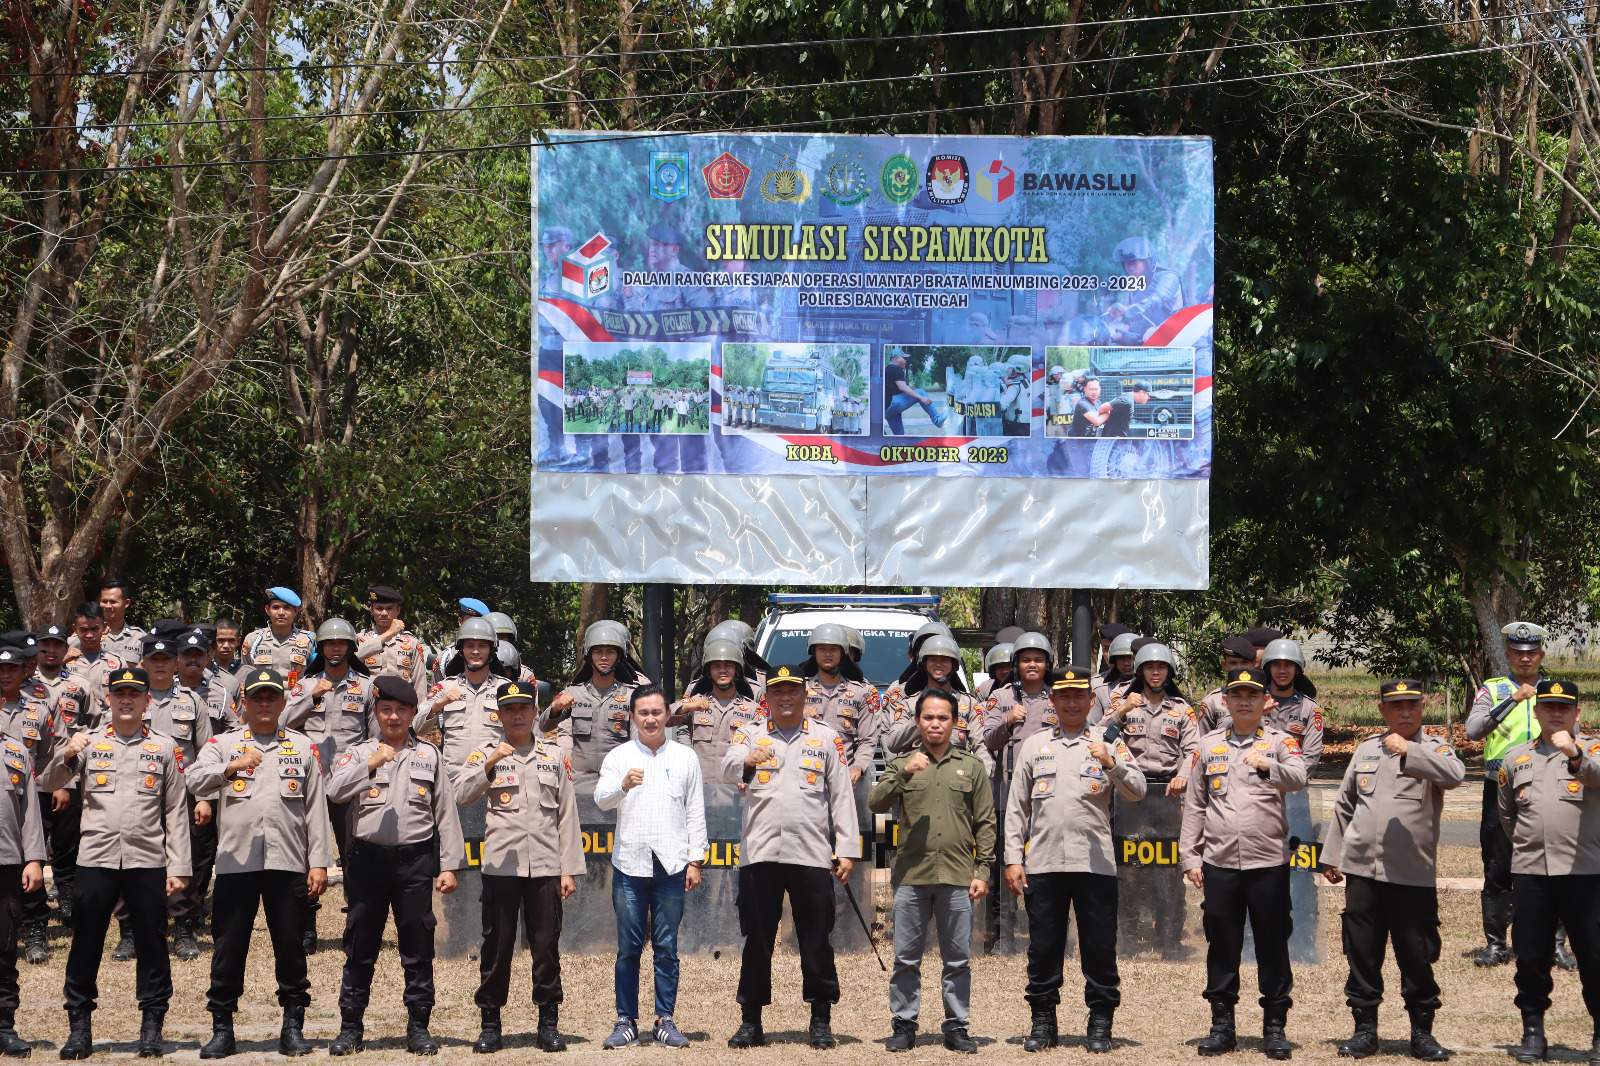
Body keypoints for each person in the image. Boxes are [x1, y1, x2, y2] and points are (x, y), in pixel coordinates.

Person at [46, 666, 191, 1060]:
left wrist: (179, 867)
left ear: (147, 701)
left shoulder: (163, 747)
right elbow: (48, 782)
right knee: (86, 941)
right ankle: (79, 1027)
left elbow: (176, 810)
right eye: (119, 693)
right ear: (108, 698)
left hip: (147, 859)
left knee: (151, 941)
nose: (127, 699)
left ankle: (152, 1025)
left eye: (135, 693)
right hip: (96, 858)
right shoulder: (88, 742)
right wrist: (67, 753)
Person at [188, 668, 331, 1059]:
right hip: (237, 862)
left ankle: (293, 1025)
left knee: (290, 944)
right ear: (244, 704)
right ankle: (222, 1027)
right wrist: (232, 767)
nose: (265, 704)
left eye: (272, 697)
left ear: (284, 704)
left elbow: (316, 809)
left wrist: (318, 862)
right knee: (229, 945)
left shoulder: (302, 747)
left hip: (287, 862)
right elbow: (195, 781)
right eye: (257, 698)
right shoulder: (223, 743)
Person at [1005, 667, 1146, 1053]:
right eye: (1063, 696)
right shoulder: (1034, 745)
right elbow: (1016, 808)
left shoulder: (1107, 741)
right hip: (1045, 865)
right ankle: (1042, 1021)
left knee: (1099, 947)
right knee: (1043, 947)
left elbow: (1138, 791)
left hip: (1094, 865)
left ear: (1089, 701)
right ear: (1053, 701)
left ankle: (1100, 1023)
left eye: (1078, 697)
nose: (1071, 703)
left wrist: (1112, 764)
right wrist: (1012, 859)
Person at [1321, 679, 1463, 1061]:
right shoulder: (1367, 749)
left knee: (1415, 954)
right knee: (1362, 953)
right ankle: (1365, 1030)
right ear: (1382, 709)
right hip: (1362, 870)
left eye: (1412, 706)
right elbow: (1345, 803)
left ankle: (1422, 1034)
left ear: (1423, 708)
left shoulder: (1435, 749)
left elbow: (1455, 775)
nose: (1405, 712)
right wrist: (1332, 855)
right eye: (1396, 706)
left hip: (1410, 872)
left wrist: (1411, 751)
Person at [326, 676, 466, 1056]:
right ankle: (350, 1028)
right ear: (376, 712)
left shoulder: (429, 755)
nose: (393, 716)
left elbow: (446, 815)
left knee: (418, 946)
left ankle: (419, 1027)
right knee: (360, 946)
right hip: (367, 863)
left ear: (411, 714)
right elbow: (334, 792)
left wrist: (450, 865)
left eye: (401, 710)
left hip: (414, 864)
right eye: (386, 709)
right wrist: (372, 762)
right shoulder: (358, 753)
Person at [721, 666, 860, 1050]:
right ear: (767, 696)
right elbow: (726, 766)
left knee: (816, 938)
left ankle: (820, 1019)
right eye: (778, 691)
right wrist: (749, 760)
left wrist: (847, 848)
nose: (785, 697)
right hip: (760, 853)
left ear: (804, 695)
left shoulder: (826, 738)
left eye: (792, 691)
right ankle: (751, 1021)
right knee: (758, 939)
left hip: (811, 853)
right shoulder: (750, 733)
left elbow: (841, 796)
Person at [1180, 667, 1310, 1060]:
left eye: (1251, 695)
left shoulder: (1281, 742)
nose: (1244, 701)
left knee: (1272, 943)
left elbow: (1300, 777)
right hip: (1219, 862)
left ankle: (1274, 1027)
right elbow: (1196, 805)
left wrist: (1269, 764)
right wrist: (1190, 856)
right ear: (1226, 701)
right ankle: (1223, 1025)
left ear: (1264, 700)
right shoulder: (1208, 745)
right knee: (1222, 944)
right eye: (1236, 695)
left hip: (1267, 861)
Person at [456, 681, 584, 1055]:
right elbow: (462, 795)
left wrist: (568, 870)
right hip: (501, 867)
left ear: (534, 712)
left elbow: (567, 816)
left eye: (523, 708)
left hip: (545, 866)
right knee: (496, 947)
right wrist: (491, 762)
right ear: (498, 714)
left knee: (546, 946)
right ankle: (491, 1024)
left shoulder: (553, 754)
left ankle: (548, 1023)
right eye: (508, 709)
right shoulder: (485, 752)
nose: (516, 715)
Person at [870, 689, 996, 1054]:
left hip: (958, 876)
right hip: (911, 875)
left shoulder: (971, 767)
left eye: (943, 717)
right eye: (928, 717)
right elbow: (876, 801)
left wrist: (983, 870)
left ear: (955, 722)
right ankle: (904, 1025)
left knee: (957, 959)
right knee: (906, 958)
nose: (935, 724)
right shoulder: (902, 763)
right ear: (918, 722)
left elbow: (985, 822)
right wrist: (902, 775)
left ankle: (957, 1027)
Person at [595, 684, 707, 1050]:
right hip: (630, 865)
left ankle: (665, 1019)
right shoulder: (619, 757)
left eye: (657, 712)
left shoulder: (686, 757)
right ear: (632, 716)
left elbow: (695, 811)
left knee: (666, 947)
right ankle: (625, 1020)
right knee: (628, 948)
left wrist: (695, 858)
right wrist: (624, 785)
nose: (650, 718)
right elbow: (601, 801)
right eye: (642, 712)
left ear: (667, 716)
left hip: (672, 865)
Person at [1496, 678, 1600, 1064]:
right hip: (1531, 872)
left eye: (1564, 708)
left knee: (1593, 954)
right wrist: (1529, 849)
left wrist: (1575, 755)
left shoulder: (1592, 749)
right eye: (1548, 707)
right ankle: (1533, 1031)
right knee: (1532, 955)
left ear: (1578, 712)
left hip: (1585, 872)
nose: (1556, 714)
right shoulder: (1516, 758)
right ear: (1537, 711)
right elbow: (1508, 815)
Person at [281, 618, 374, 951]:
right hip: (311, 783)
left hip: (350, 783)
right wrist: (311, 698)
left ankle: (356, 925)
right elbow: (280, 724)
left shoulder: (366, 687)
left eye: (342, 644)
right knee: (307, 857)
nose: (336, 649)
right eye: (329, 644)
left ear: (351, 648)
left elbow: (375, 736)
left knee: (354, 855)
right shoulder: (304, 685)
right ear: (320, 648)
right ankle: (307, 926)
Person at [1465, 621, 1552, 969]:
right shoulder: (1493, 688)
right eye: (1518, 653)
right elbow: (1473, 730)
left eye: (1532, 653)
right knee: (1498, 863)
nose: (1526, 658)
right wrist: (1514, 700)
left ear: (1541, 654)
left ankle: (1554, 943)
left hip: (1547, 786)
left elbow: (1571, 731)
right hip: (1500, 786)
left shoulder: (1553, 689)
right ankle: (1496, 943)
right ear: (1507, 655)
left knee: (1552, 864)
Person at [139, 633, 215, 962]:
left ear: (176, 663)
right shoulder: (129, 697)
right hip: (139, 794)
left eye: (165, 660)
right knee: (137, 861)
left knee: (185, 858)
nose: (160, 665)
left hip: (182, 794)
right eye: (153, 660)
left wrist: (203, 798)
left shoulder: (192, 701)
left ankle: (184, 928)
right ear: (144, 663)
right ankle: (133, 931)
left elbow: (206, 755)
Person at [0, 687, 43, 1057]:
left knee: (4, 944)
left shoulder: (16, 751)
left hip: (8, 862)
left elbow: (30, 811)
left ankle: (4, 1024)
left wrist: (34, 859)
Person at [542, 620, 647, 774]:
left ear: (619, 657)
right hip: (579, 778)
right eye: (597, 652)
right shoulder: (573, 692)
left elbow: (637, 738)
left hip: (618, 777)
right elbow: (544, 726)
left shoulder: (631, 694)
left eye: (610, 652)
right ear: (589, 655)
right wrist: (556, 707)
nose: (603, 657)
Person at [882, 635, 990, 771]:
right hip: (918, 779)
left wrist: (984, 779)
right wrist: (921, 719)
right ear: (923, 664)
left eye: (944, 660)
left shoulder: (969, 703)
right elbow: (893, 743)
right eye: (933, 660)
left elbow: (981, 747)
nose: (938, 664)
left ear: (954, 665)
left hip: (957, 779)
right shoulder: (908, 704)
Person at [419, 618, 510, 778]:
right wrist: (439, 704)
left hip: (495, 777)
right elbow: (417, 727)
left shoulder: (505, 689)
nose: (476, 651)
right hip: (454, 776)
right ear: (460, 650)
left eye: (482, 646)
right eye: (469, 646)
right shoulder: (445, 687)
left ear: (492, 650)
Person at [670, 636, 764, 783]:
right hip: (700, 791)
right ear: (708, 672)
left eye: (728, 665)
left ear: (738, 670)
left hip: (735, 794)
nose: (722, 671)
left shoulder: (753, 710)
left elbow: (762, 748)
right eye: (716, 667)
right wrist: (688, 706)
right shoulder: (695, 703)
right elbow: (662, 719)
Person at [802, 623, 880, 787]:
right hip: (805, 779)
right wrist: (800, 716)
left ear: (843, 653)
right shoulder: (799, 690)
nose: (827, 654)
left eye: (834, 649)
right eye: (822, 649)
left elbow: (868, 739)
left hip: (845, 779)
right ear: (813, 652)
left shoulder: (860, 693)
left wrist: (858, 767)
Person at [356, 586, 429, 705]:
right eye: (379, 608)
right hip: (370, 707)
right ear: (372, 610)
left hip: (401, 707)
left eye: (390, 608)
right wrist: (390, 633)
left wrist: (417, 716)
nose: (384, 613)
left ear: (398, 611)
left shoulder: (411, 642)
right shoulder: (362, 640)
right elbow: (354, 655)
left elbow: (419, 683)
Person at [1261, 639, 1324, 770]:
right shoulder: (1254, 701)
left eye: (1289, 665)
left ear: (1297, 670)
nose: (1282, 670)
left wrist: (1288, 780)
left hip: (1293, 782)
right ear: (1268, 668)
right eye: (1276, 665)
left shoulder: (1310, 708)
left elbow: (1311, 756)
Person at [241, 588, 315, 685]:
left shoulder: (309, 640)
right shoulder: (253, 640)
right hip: (264, 699)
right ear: (267, 610)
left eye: (287, 608)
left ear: (296, 611)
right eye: (276, 607)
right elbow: (245, 675)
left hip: (297, 698)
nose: (281, 613)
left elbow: (315, 677)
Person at [66, 603, 122, 720]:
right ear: (74, 628)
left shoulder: (117, 662)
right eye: (83, 630)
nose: (89, 635)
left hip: (106, 727)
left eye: (95, 629)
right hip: (71, 727)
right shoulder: (65, 661)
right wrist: (61, 661)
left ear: (104, 627)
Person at [1196, 636, 1261, 734]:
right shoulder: (1213, 702)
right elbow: (1203, 741)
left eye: (1245, 663)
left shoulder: (1264, 699)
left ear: (1254, 663)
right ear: (1224, 665)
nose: (1239, 668)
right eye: (1233, 663)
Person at [884, 348, 945, 435]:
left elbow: (895, 387)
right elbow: (903, 388)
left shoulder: (887, 370)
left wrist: (910, 388)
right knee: (921, 392)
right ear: (896, 359)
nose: (906, 360)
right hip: (893, 403)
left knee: (899, 436)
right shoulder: (896, 369)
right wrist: (921, 398)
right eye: (904, 358)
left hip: (887, 411)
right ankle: (936, 419)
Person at [97, 579, 148, 665]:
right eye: (104, 601)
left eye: (113, 602)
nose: (108, 606)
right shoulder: (89, 635)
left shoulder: (139, 638)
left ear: (126, 603)